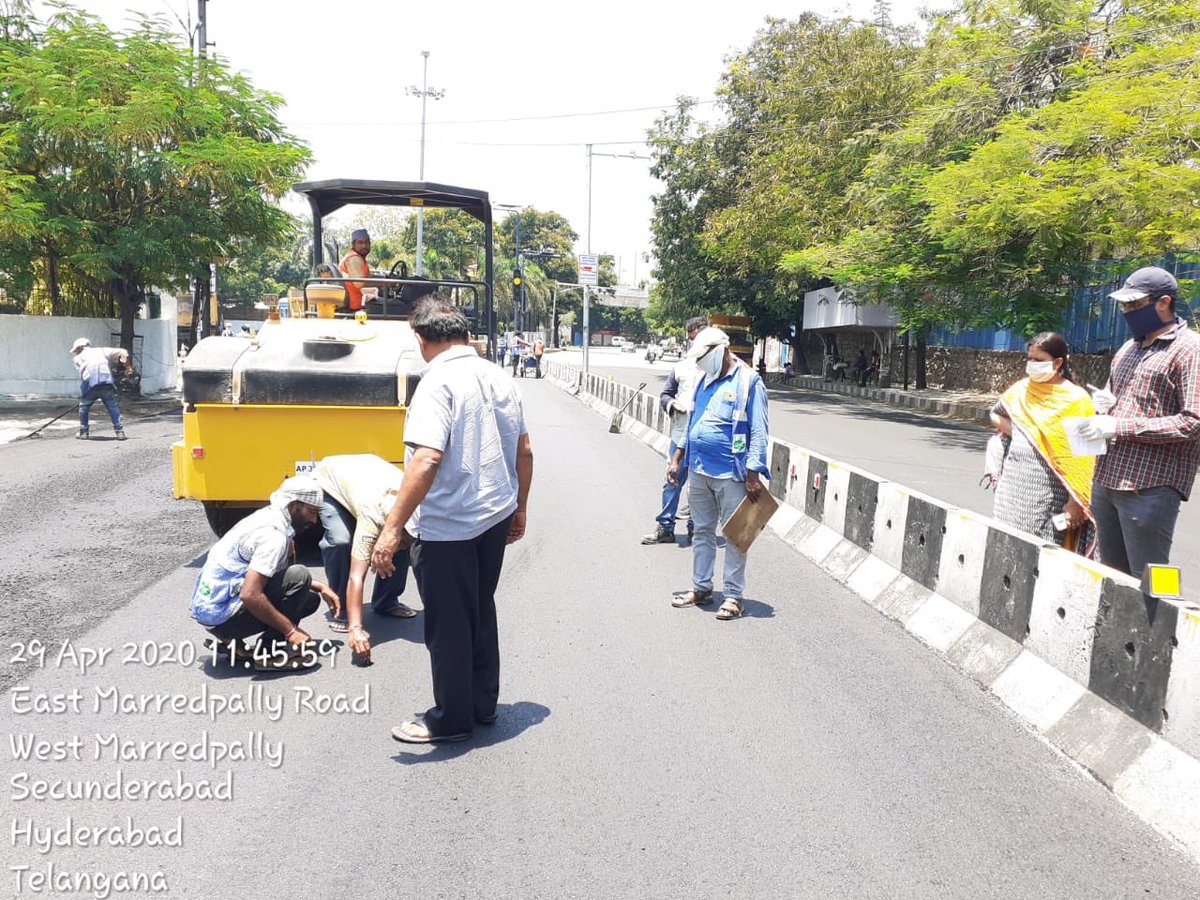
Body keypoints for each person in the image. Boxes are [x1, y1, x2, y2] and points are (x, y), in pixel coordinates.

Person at [372, 299, 534, 744]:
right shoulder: (501, 377)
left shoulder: (436, 382)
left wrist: (391, 528)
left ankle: (451, 718)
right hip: (495, 515)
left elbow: (425, 458)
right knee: (480, 607)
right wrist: (520, 507)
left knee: (447, 623)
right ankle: (482, 705)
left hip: (448, 526)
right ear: (463, 335)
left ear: (422, 340)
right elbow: (525, 451)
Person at [1078, 267, 1200, 575]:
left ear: (1164, 302)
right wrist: (1104, 404)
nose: (1126, 312)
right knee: (1112, 575)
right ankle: (1117, 626)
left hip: (1150, 486)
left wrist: (1120, 426)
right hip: (1107, 479)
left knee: (1152, 576)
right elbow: (1119, 396)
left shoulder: (1190, 350)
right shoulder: (1130, 347)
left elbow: (1192, 421)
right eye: (1124, 305)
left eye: (1135, 305)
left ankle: (1162, 622)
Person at [667, 326, 770, 621]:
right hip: (699, 470)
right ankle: (701, 588)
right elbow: (691, 424)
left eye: (703, 356)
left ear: (721, 350)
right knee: (701, 530)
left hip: (732, 474)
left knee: (737, 535)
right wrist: (677, 458)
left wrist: (753, 474)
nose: (699, 362)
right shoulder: (703, 379)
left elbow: (759, 432)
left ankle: (734, 596)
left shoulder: (749, 382)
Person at [190, 475, 341, 669]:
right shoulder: (273, 536)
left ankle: (234, 643)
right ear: (294, 506)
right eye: (311, 512)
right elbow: (250, 594)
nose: (314, 520)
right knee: (299, 576)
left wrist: (319, 586)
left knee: (309, 597)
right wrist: (291, 632)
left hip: (211, 608)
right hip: (221, 615)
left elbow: (264, 577)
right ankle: (268, 654)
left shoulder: (266, 517)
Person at [989, 333, 1096, 553]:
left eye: (1039, 360)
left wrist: (1075, 502)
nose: (1032, 365)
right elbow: (996, 415)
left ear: (1058, 363)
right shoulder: (1021, 390)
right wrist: (1021, 433)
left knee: (1041, 554)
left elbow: (1086, 457)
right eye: (1029, 359)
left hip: (1049, 495)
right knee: (1003, 550)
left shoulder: (1076, 400)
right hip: (1011, 490)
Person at [314, 454, 417, 659]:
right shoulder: (373, 517)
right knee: (340, 540)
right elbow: (356, 576)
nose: (403, 545)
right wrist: (356, 628)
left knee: (402, 542)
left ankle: (386, 601)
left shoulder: (419, 508)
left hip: (367, 475)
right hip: (330, 483)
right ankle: (340, 605)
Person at [642, 316, 708, 545]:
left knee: (699, 488)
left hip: (704, 438)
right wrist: (673, 406)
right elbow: (665, 395)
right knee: (672, 480)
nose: (695, 343)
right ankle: (665, 527)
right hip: (680, 433)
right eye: (692, 339)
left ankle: (696, 530)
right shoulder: (681, 367)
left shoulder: (717, 369)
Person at [70, 338, 127, 441]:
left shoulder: (77, 358)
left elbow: (83, 376)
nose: (75, 353)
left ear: (80, 347)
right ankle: (120, 432)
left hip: (90, 385)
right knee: (112, 406)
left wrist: (84, 394)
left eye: (76, 350)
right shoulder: (102, 351)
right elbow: (122, 352)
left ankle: (84, 432)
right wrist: (125, 362)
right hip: (106, 383)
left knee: (84, 407)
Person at [339, 228, 372, 311]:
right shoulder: (354, 259)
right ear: (353, 244)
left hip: (360, 303)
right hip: (356, 306)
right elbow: (360, 283)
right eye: (360, 243)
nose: (364, 245)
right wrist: (386, 284)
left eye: (366, 242)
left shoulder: (358, 257)